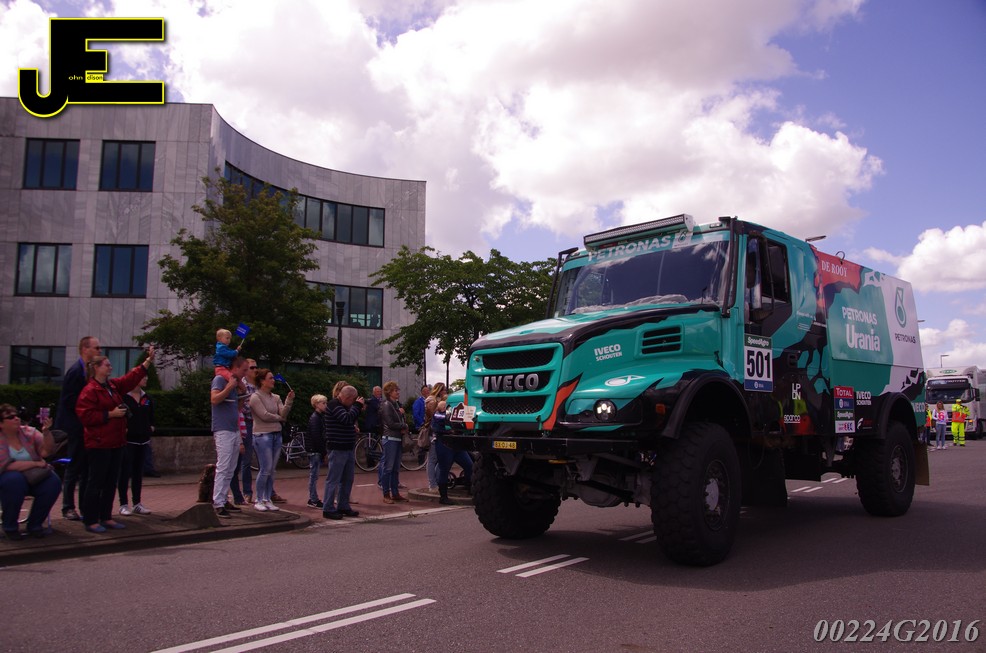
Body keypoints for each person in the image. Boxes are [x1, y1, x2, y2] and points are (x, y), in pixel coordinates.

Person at [75, 347, 154, 533]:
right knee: (96, 482)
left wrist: (147, 362)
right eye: (107, 365)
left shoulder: (111, 386)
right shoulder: (90, 390)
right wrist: (109, 414)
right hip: (99, 443)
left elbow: (129, 379)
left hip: (115, 442)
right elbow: (85, 416)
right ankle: (91, 519)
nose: (110, 367)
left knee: (111, 482)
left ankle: (106, 516)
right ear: (96, 368)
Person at [55, 335, 101, 521]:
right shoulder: (76, 372)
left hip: (85, 427)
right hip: (76, 428)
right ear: (85, 349)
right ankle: (68, 506)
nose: (99, 351)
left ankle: (84, 507)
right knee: (74, 467)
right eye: (96, 348)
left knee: (85, 468)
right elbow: (69, 401)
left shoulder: (88, 372)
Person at [0, 404, 61, 539]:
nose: (16, 418)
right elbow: (5, 466)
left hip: (32, 476)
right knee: (14, 480)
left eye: (16, 415)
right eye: (10, 417)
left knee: (52, 482)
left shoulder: (29, 432)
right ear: (1, 424)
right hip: (6, 478)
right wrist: (36, 463)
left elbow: (46, 452)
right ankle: (10, 527)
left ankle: (35, 525)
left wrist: (46, 432)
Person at [249, 369, 295, 511]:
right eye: (270, 378)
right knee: (265, 468)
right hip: (262, 434)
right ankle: (258, 499)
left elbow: (283, 413)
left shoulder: (276, 397)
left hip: (276, 434)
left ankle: (267, 498)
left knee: (272, 470)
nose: (273, 380)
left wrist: (289, 401)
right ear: (262, 381)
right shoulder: (255, 397)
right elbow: (264, 415)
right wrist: (279, 418)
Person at [210, 355, 248, 518]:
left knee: (231, 467)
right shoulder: (220, 380)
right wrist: (229, 387)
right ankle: (218, 502)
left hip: (233, 428)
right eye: (244, 370)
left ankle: (224, 498)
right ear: (236, 368)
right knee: (223, 466)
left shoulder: (234, 384)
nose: (245, 374)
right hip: (223, 429)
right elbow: (214, 399)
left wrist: (242, 395)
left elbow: (236, 408)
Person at [322, 385, 364, 519]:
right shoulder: (334, 405)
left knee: (347, 479)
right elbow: (346, 419)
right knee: (333, 479)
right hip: (337, 447)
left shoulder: (344, 406)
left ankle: (343, 505)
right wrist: (357, 406)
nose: (353, 403)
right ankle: (328, 508)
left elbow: (347, 421)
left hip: (347, 446)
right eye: (352, 400)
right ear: (347, 397)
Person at [118, 375, 154, 515]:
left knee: (138, 473)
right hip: (128, 441)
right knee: (125, 472)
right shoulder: (123, 397)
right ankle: (123, 504)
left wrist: (151, 426)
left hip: (143, 440)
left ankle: (137, 503)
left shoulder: (147, 398)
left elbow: (150, 415)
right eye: (143, 377)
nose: (146, 379)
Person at [432, 400, 472, 505]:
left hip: (456, 445)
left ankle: (470, 489)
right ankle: (443, 496)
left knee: (469, 465)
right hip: (445, 444)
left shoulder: (451, 414)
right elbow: (436, 427)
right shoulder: (438, 415)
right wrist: (450, 430)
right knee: (444, 470)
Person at [379, 381, 409, 505]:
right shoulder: (387, 405)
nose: (398, 392)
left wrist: (402, 417)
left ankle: (395, 493)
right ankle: (386, 494)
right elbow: (390, 423)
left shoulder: (396, 404)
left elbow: (400, 419)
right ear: (389, 392)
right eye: (396, 390)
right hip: (390, 438)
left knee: (396, 468)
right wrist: (404, 425)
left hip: (397, 438)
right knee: (388, 467)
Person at [305, 394, 328, 508]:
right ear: (317, 404)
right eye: (323, 403)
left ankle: (313, 498)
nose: (325, 405)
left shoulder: (319, 417)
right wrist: (323, 452)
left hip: (315, 449)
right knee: (314, 475)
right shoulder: (316, 418)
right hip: (314, 450)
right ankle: (313, 499)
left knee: (314, 475)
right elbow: (316, 437)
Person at [424, 383, 448, 490]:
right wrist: (440, 405)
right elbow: (433, 415)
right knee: (432, 459)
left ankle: (436, 481)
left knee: (440, 459)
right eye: (444, 390)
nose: (445, 392)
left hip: (440, 433)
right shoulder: (432, 401)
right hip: (433, 433)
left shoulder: (441, 400)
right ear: (439, 390)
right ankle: (432, 484)